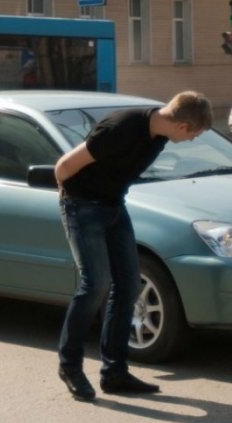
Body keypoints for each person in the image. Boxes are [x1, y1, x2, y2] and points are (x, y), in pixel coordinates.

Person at [54, 90, 214, 401]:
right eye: (195, 134)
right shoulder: (121, 128)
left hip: (114, 207)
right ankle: (70, 366)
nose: (193, 141)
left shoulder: (159, 134)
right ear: (182, 126)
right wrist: (73, 203)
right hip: (82, 206)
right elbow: (64, 166)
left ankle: (114, 372)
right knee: (95, 284)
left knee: (128, 285)